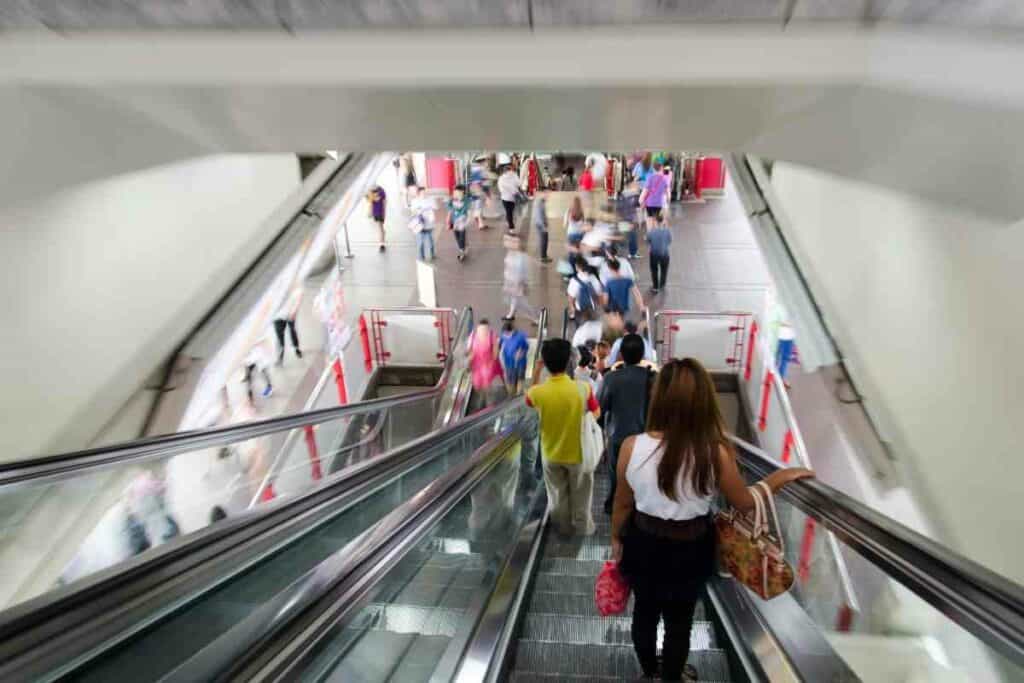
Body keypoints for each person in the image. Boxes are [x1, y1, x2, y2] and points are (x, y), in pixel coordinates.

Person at [611, 358, 814, 681]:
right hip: (691, 548)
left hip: (643, 542)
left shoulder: (631, 447)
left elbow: (622, 504)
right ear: (704, 401)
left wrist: (616, 542)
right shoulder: (714, 452)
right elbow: (744, 503)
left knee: (644, 613)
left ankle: (649, 672)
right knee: (680, 621)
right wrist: (777, 479)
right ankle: (672, 677)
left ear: (658, 397)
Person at [526, 339, 601, 536]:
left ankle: (563, 530)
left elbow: (528, 399)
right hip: (579, 453)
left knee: (557, 498)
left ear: (545, 361)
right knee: (582, 496)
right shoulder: (583, 389)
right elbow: (597, 413)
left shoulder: (538, 392)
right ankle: (583, 530)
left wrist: (536, 371)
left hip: (551, 454)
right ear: (569, 360)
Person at [598, 334, 656, 514]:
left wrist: (603, 427)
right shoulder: (653, 378)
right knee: (643, 473)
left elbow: (600, 409)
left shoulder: (611, 378)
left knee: (617, 473)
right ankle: (639, 507)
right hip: (645, 437)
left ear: (621, 354)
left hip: (618, 437)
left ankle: (614, 505)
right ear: (643, 354)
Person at [503, 236, 539, 324]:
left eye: (510, 241)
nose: (506, 242)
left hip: (517, 284)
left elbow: (522, 272)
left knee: (522, 303)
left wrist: (522, 284)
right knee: (513, 299)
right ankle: (511, 314)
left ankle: (536, 318)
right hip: (511, 283)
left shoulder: (520, 257)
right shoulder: (510, 253)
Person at [467, 319, 502, 410]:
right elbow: (496, 352)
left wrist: (469, 362)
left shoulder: (474, 335)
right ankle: (487, 406)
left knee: (482, 387)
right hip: (484, 366)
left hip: (482, 366)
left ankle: (483, 406)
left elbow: (469, 351)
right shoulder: (490, 335)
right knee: (483, 387)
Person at [273, 287, 303, 365]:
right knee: (280, 338)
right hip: (277, 317)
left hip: (290, 313)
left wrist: (294, 311)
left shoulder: (290, 286)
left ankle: (296, 348)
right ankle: (280, 356)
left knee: (292, 332)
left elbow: (299, 294)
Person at [499, 320, 530, 394]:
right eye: (504, 333)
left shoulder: (521, 336)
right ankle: (511, 395)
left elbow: (526, 347)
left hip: (520, 362)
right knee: (510, 380)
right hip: (508, 362)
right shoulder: (503, 336)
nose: (505, 335)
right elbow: (499, 345)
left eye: (507, 333)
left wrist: (522, 352)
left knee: (520, 378)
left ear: (512, 331)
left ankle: (519, 394)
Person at [638, 161, 668, 230]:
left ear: (653, 169)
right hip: (659, 204)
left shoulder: (650, 178)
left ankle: (650, 236)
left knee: (649, 221)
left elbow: (645, 191)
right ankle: (656, 235)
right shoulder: (664, 179)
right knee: (656, 221)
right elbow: (666, 192)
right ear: (661, 168)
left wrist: (641, 200)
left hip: (650, 203)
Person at [409, 186, 436, 262]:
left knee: (430, 241)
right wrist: (419, 211)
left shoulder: (430, 200)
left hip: (429, 224)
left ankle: (432, 254)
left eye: (424, 192)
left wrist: (429, 210)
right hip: (419, 224)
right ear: (418, 193)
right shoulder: (414, 201)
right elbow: (412, 212)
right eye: (421, 193)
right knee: (420, 242)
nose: (423, 194)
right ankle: (421, 256)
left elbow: (434, 208)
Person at [646, 216, 672, 294]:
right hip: (665, 254)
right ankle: (662, 284)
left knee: (654, 270)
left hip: (654, 254)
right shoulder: (667, 231)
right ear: (663, 222)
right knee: (664, 270)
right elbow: (670, 241)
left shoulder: (651, 232)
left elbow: (648, 241)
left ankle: (655, 287)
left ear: (656, 222)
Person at [447, 184, 471, 261]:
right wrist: (448, 219)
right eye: (455, 191)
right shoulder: (452, 199)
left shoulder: (466, 200)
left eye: (457, 191)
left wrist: (468, 221)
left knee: (461, 236)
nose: (455, 193)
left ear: (462, 191)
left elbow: (468, 211)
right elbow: (450, 209)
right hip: (454, 220)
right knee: (456, 236)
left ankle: (461, 251)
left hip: (462, 220)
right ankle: (463, 247)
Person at [498, 165, 522, 233]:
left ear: (504, 171)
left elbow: (500, 189)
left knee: (508, 212)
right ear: (510, 169)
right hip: (513, 197)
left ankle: (511, 227)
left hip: (505, 198)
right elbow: (519, 184)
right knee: (511, 212)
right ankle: (510, 224)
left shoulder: (501, 178)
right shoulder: (514, 175)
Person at [531, 184, 551, 263]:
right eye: (547, 193)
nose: (548, 195)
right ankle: (543, 257)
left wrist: (546, 222)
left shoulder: (541, 201)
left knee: (544, 240)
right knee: (544, 240)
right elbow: (539, 216)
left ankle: (544, 255)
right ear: (542, 193)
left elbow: (542, 214)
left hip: (541, 223)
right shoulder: (539, 202)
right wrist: (544, 227)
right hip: (540, 224)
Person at [367, 185, 387, 251]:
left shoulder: (381, 191)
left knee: (380, 227)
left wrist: (384, 214)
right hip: (375, 212)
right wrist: (369, 212)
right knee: (380, 227)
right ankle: (383, 236)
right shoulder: (369, 191)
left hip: (380, 211)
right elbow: (370, 203)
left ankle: (382, 244)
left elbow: (384, 203)